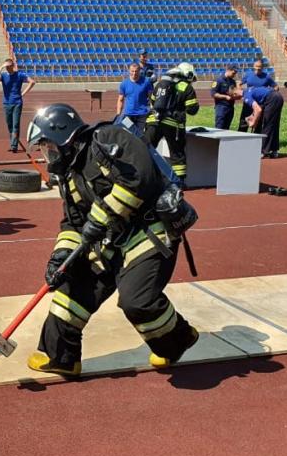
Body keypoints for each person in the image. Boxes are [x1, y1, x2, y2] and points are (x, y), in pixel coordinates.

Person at [24, 103, 199, 376]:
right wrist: (60, 256)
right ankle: (61, 356)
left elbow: (139, 177)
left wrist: (100, 217)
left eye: (48, 146)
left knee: (137, 301)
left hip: (147, 232)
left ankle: (178, 339)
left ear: (63, 136)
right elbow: (72, 222)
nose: (47, 154)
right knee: (73, 286)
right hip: (108, 240)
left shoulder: (107, 139)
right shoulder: (69, 174)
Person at [144, 62, 199, 185]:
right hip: (173, 125)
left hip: (153, 121)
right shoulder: (186, 87)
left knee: (146, 150)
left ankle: (145, 177)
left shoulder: (161, 84)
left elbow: (153, 100)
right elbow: (192, 109)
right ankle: (178, 183)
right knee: (177, 153)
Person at [0, 58, 36, 153]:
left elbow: (32, 82)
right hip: (6, 103)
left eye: (8, 66)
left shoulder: (20, 75)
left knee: (15, 125)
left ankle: (14, 145)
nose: (7, 68)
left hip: (17, 103)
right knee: (10, 125)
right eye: (6, 67)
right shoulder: (3, 75)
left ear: (12, 66)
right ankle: (13, 141)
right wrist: (1, 67)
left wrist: (23, 93)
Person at [238, 59, 278, 140]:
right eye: (256, 66)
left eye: (259, 67)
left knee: (259, 122)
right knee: (244, 120)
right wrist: (243, 94)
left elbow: (276, 86)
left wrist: (271, 92)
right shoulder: (248, 75)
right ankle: (240, 138)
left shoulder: (267, 77)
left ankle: (255, 139)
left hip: (261, 103)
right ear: (253, 66)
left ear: (262, 67)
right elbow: (239, 83)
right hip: (249, 102)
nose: (258, 68)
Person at [244, 85, 284, 160]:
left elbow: (258, 110)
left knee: (268, 125)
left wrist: (253, 122)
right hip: (276, 97)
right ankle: (274, 150)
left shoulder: (246, 96)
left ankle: (263, 151)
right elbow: (259, 108)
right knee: (273, 125)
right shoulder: (251, 90)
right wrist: (252, 116)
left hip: (272, 98)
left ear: (234, 94)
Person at [115, 62, 153, 138]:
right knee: (128, 135)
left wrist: (152, 109)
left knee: (139, 136)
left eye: (136, 71)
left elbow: (151, 97)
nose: (134, 73)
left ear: (139, 71)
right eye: (132, 71)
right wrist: (118, 113)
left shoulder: (146, 82)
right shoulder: (124, 83)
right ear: (129, 71)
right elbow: (120, 99)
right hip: (128, 114)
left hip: (141, 115)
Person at [210, 65, 240, 130]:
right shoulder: (218, 80)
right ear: (228, 70)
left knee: (227, 129)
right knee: (219, 128)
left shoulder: (233, 82)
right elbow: (213, 94)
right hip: (221, 107)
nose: (234, 75)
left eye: (235, 73)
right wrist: (225, 97)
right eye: (233, 73)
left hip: (230, 108)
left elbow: (234, 92)